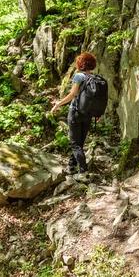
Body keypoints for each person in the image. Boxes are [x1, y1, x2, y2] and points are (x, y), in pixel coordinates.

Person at [50, 52, 98, 182]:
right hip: (87, 115)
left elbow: (72, 94)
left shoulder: (79, 76)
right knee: (79, 142)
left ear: (80, 63)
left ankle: (83, 172)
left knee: (75, 143)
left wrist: (57, 104)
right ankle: (71, 165)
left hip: (76, 113)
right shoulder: (93, 78)